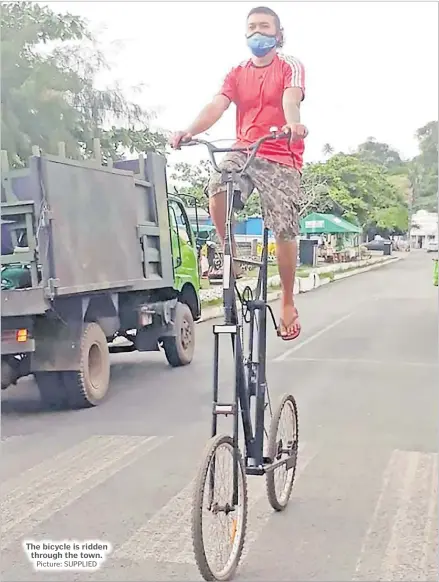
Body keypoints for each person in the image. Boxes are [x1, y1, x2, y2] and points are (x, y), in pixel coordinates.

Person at [171, 6, 307, 341]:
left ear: (278, 34)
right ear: (245, 34)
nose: (257, 32)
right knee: (217, 185)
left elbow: (291, 99)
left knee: (284, 226)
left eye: (264, 26)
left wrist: (292, 125)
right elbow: (217, 105)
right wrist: (189, 131)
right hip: (245, 150)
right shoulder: (237, 72)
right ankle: (227, 248)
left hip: (280, 153)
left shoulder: (289, 66)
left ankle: (288, 301)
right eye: (252, 27)